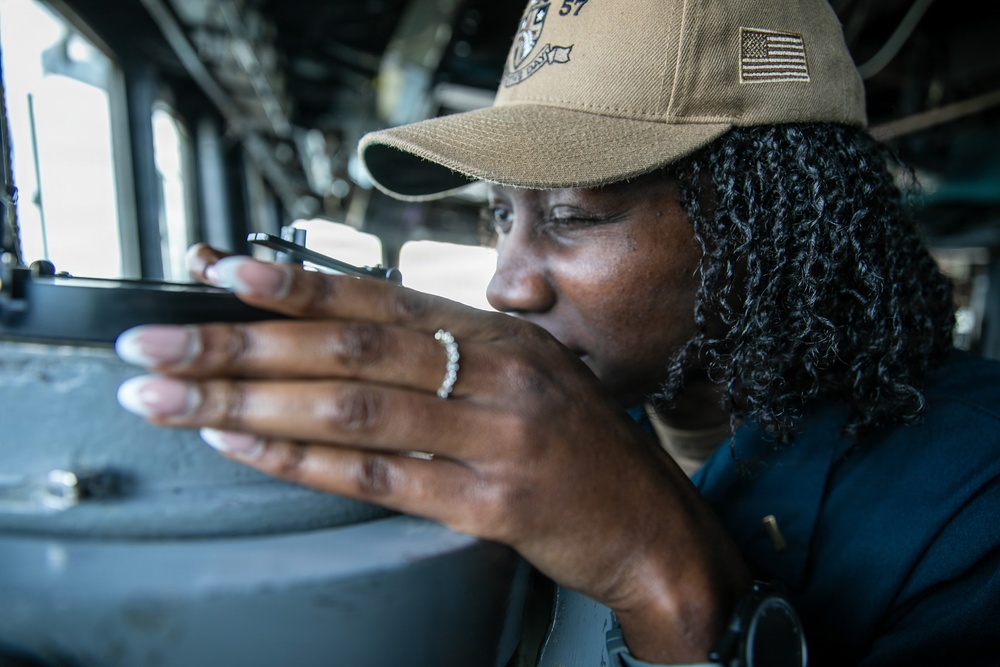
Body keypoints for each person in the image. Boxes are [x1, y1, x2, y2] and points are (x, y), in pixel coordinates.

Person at [114, 0, 1000, 665]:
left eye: (574, 215)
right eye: (502, 215)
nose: (507, 280)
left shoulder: (973, 499)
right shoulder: (581, 410)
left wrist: (660, 570)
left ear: (772, 222)